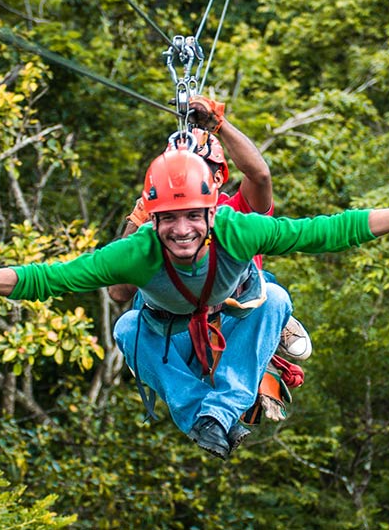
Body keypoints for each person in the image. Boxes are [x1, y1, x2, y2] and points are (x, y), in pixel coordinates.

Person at [0, 149, 389, 459]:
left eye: (191, 218)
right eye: (169, 219)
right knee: (124, 328)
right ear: (155, 217)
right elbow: (44, 278)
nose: (180, 231)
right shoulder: (137, 252)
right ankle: (212, 413)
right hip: (165, 328)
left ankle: (230, 403)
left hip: (230, 310)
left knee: (272, 296)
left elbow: (332, 229)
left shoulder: (238, 230)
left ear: (211, 211)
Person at [108, 96, 312, 423]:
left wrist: (218, 125)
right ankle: (204, 417)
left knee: (270, 291)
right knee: (129, 326)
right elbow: (118, 292)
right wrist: (141, 219)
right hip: (180, 333)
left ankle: (272, 330)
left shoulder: (237, 213)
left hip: (235, 324)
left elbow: (260, 178)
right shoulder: (160, 228)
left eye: (202, 173)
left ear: (218, 177)